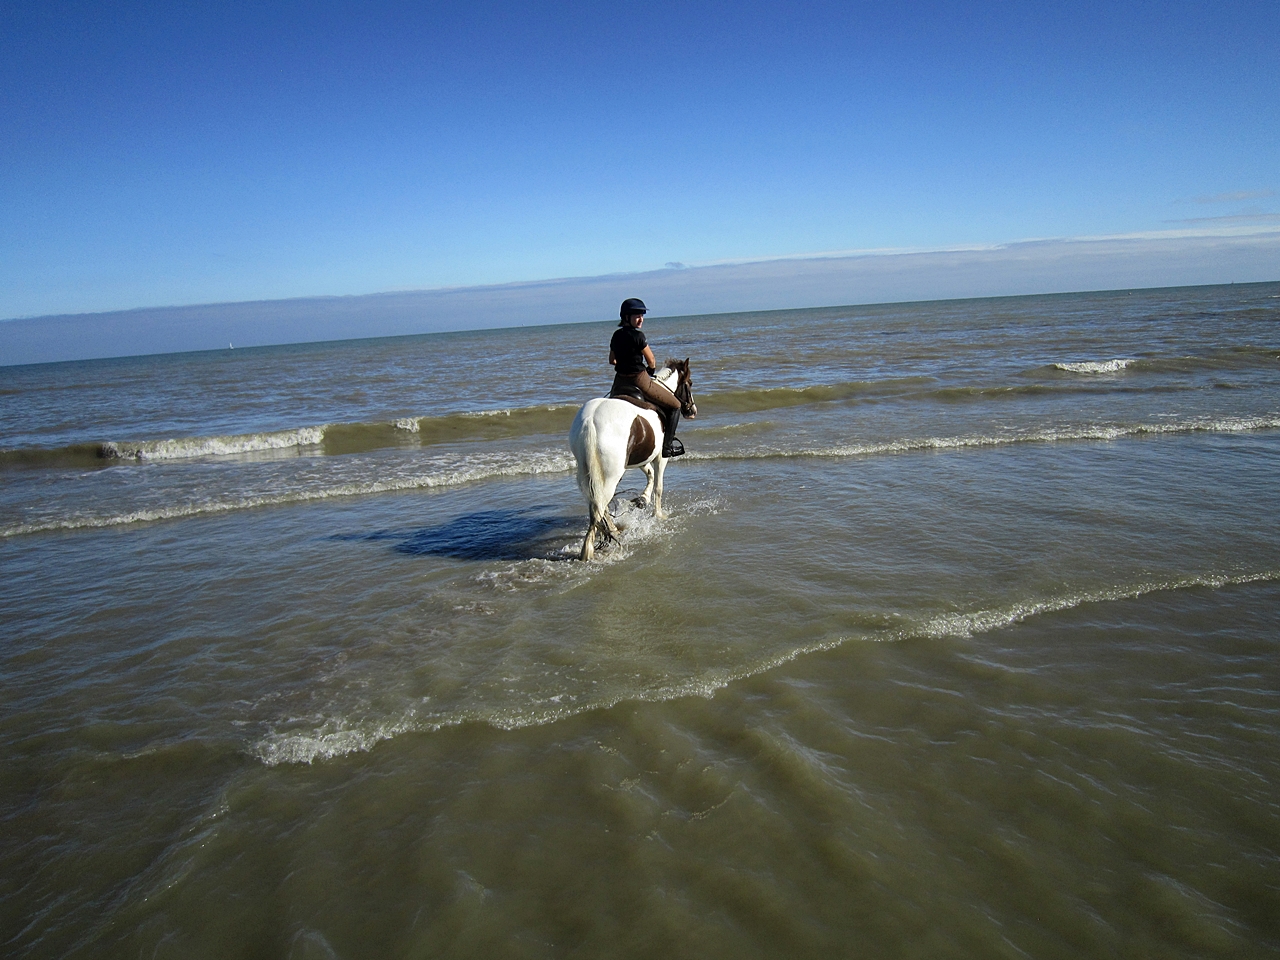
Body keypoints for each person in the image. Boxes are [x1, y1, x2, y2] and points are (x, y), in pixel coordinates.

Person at [608, 297, 685, 457]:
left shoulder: (616, 335)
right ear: (626, 317)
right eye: (637, 316)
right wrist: (650, 370)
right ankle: (667, 447)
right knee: (676, 405)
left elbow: (612, 360)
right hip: (639, 380)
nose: (641, 319)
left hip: (619, 382)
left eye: (642, 315)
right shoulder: (639, 336)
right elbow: (651, 360)